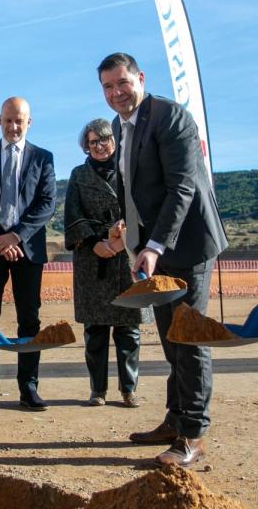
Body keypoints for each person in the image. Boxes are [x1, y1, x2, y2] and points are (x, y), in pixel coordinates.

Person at [97, 52, 228, 468]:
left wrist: (154, 246)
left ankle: (192, 435)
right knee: (173, 342)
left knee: (189, 341)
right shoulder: (124, 125)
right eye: (107, 87)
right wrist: (129, 232)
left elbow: (182, 189)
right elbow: (139, 190)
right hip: (155, 249)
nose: (116, 93)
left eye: (122, 83)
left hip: (185, 248)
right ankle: (175, 420)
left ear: (140, 77)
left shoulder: (170, 117)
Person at [0, 97, 56, 413]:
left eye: (19, 120)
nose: (13, 126)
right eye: (8, 120)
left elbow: (46, 203)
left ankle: (29, 388)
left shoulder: (43, 158)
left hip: (28, 249)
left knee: (29, 320)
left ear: (29, 122)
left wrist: (16, 235)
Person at [64, 118, 151, 407]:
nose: (99, 146)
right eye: (93, 142)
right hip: (92, 261)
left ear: (114, 141)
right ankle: (97, 390)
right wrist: (95, 243)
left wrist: (119, 240)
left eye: (104, 140)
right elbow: (72, 216)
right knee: (95, 331)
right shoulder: (77, 175)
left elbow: (144, 210)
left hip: (128, 258)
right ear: (85, 147)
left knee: (129, 329)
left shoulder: (131, 171)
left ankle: (129, 389)